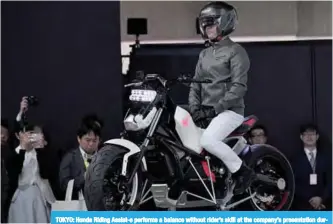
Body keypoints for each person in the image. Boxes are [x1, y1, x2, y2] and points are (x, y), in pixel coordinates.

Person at [189, 1, 254, 195]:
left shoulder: (236, 51)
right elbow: (195, 84)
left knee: (208, 141)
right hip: (207, 112)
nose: (207, 29)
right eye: (205, 25)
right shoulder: (204, 54)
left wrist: (215, 109)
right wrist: (195, 109)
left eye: (211, 24)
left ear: (225, 24)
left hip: (229, 112)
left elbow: (239, 87)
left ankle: (242, 171)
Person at [7, 123, 56, 223]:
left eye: (36, 134)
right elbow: (13, 174)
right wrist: (23, 148)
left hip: (42, 198)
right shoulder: (15, 153)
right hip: (21, 200)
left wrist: (41, 149)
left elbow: (46, 173)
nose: (33, 137)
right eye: (30, 134)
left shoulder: (42, 153)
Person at [291, 124, 332, 210]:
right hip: (302, 207)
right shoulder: (294, 159)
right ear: (301, 137)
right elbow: (293, 183)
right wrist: (310, 199)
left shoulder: (327, 158)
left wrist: (321, 198)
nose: (309, 137)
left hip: (324, 206)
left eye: (312, 134)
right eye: (306, 134)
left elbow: (330, 182)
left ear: (317, 136)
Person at [59, 117, 101, 200]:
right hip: (78, 206)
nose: (91, 144)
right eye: (88, 140)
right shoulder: (70, 158)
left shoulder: (103, 158)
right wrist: (83, 178)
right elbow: (63, 185)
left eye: (95, 140)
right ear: (79, 138)